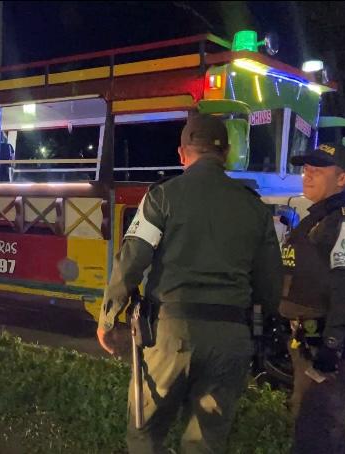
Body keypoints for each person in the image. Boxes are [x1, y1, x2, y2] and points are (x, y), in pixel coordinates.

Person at [97, 114, 283, 453]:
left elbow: (131, 261)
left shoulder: (162, 197)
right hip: (230, 338)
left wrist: (108, 317)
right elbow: (270, 284)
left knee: (145, 433)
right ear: (226, 153)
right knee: (205, 443)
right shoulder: (254, 208)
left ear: (183, 153)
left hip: (171, 334)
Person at [280, 142, 345, 454]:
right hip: (311, 341)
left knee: (318, 435)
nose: (306, 175)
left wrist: (332, 345)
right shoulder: (319, 218)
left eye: (317, 170)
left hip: (329, 347)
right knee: (316, 431)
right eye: (306, 169)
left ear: (343, 178)